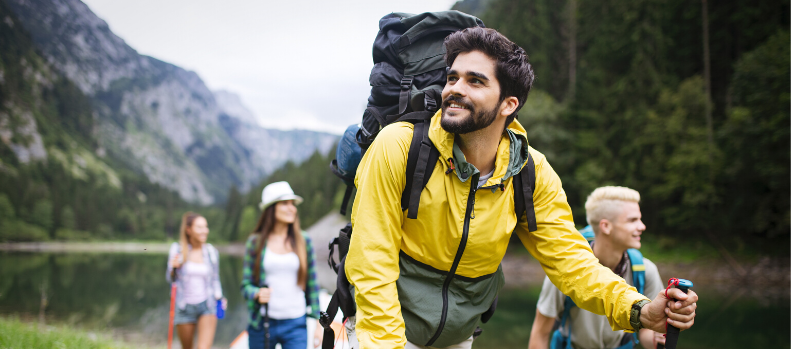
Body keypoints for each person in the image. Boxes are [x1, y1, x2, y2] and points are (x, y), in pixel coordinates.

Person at [344, 27, 698, 349]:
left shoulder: (530, 171)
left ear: (508, 105)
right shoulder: (399, 147)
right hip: (381, 331)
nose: (454, 89)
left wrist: (639, 310)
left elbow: (573, 262)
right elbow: (372, 262)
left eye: (475, 81)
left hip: (456, 339)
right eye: (452, 77)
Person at [528, 186, 666, 349]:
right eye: (632, 220)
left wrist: (660, 337)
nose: (642, 226)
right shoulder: (566, 271)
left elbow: (646, 334)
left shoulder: (644, 271)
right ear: (606, 226)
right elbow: (541, 332)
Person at [241, 181, 323, 349]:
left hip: (296, 323)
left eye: (293, 204)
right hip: (262, 323)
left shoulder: (303, 240)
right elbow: (245, 286)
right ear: (271, 209)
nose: (292, 208)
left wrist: (319, 325)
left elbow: (313, 285)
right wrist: (256, 293)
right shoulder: (255, 243)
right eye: (285, 203)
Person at [166, 212, 226, 349]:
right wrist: (173, 268)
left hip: (208, 305)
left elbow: (215, 279)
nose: (205, 231)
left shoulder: (211, 252)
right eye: (199, 227)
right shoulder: (177, 250)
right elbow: (170, 279)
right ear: (188, 230)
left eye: (206, 227)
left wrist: (220, 298)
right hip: (183, 306)